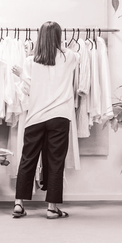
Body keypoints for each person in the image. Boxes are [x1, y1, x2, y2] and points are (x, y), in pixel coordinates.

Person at [11, 21, 79, 219]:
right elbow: (71, 55)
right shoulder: (70, 57)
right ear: (59, 37)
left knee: (27, 160)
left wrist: (23, 76)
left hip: (35, 117)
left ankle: (18, 204)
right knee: (55, 162)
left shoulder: (30, 62)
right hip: (60, 116)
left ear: (39, 37)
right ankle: (51, 208)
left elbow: (29, 90)